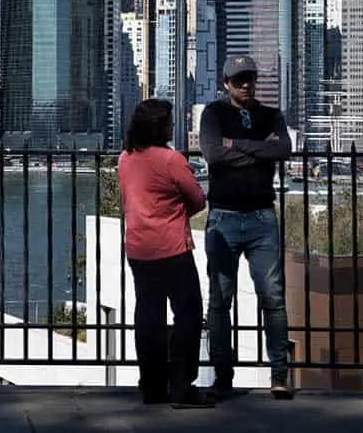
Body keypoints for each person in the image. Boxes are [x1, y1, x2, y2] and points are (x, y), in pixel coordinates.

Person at [199, 55, 294, 400]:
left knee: (274, 297)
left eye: (250, 78)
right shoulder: (213, 113)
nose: (245, 84)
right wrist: (260, 150)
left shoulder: (272, 115)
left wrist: (236, 144)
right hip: (223, 217)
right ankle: (223, 376)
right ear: (225, 82)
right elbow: (212, 154)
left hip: (261, 218)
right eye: (238, 79)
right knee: (220, 300)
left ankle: (280, 375)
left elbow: (283, 148)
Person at [117, 98, 214, 409]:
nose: (174, 125)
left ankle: (152, 384)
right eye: (170, 121)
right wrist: (177, 210)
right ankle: (182, 386)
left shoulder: (126, 158)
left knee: (148, 315)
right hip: (171, 247)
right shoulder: (171, 160)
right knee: (187, 314)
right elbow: (198, 199)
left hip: (138, 247)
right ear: (160, 127)